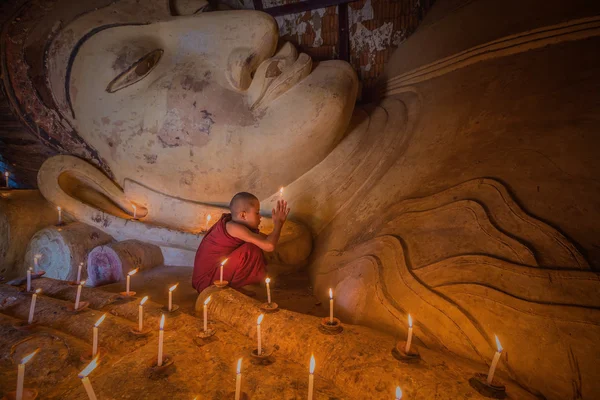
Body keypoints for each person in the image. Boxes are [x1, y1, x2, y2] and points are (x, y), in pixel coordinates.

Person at [192, 192, 290, 294]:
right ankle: (231, 288)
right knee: (251, 249)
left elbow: (267, 240)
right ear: (243, 215)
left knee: (255, 245)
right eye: (257, 213)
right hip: (208, 282)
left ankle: (234, 287)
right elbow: (269, 246)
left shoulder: (237, 225)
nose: (260, 216)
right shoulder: (233, 228)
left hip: (213, 276)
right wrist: (278, 224)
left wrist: (277, 226)